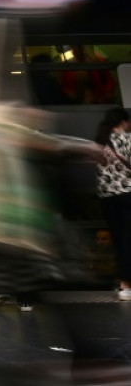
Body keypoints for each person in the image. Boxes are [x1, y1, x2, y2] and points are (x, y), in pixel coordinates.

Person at [95, 108, 131, 301]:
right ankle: (126, 284)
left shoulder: (100, 142)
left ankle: (120, 281)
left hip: (106, 197)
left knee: (118, 239)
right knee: (128, 240)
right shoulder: (127, 140)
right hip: (127, 194)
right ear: (124, 122)